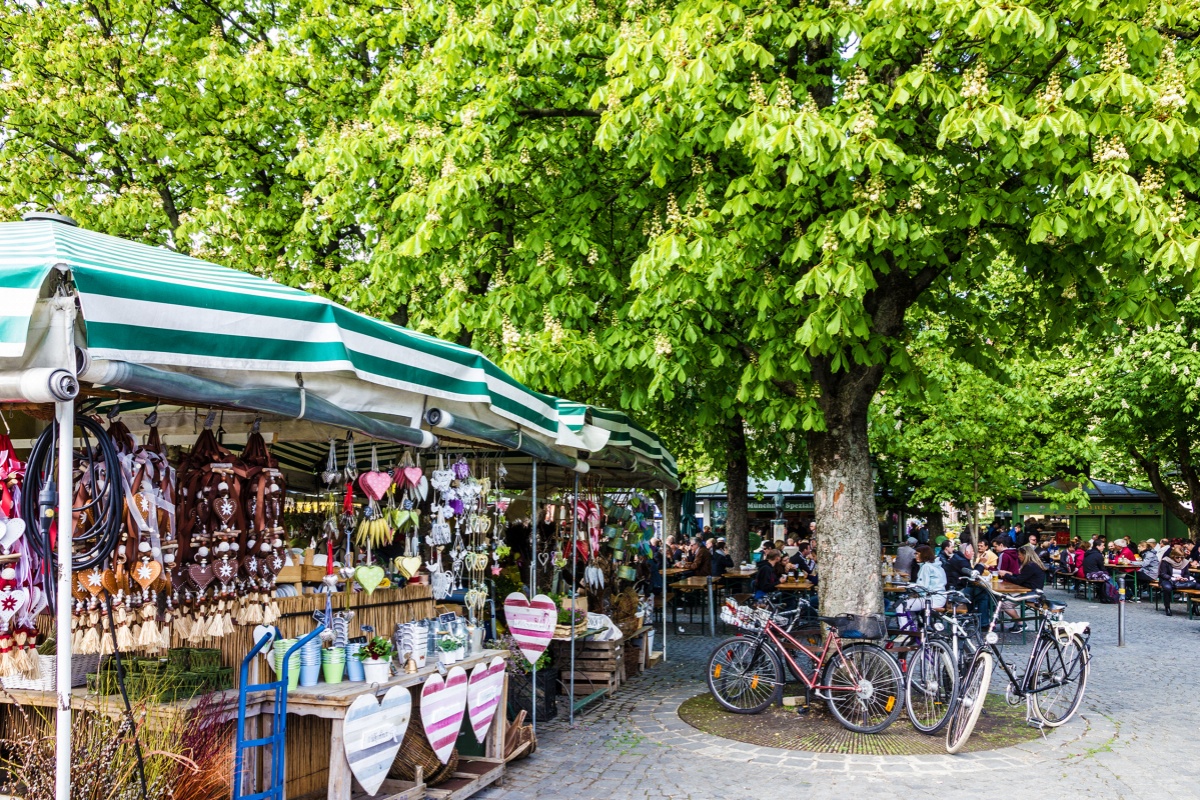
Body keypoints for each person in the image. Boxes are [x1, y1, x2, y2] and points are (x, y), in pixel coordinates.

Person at [997, 544, 1047, 632]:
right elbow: (1023, 577)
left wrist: (1006, 575)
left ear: (1025, 554)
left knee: (1004, 604)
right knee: (1005, 597)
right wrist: (1011, 574)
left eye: (1019, 554)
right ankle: (1018, 623)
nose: (1018, 556)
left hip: (1032, 594)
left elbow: (1018, 581)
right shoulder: (1033, 564)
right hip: (1033, 591)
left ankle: (1021, 623)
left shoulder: (1029, 566)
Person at [1158, 545, 1199, 616]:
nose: (1179, 559)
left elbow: (1186, 573)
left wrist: (1185, 578)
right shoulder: (1166, 561)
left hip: (1181, 581)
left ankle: (1195, 606)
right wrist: (1174, 578)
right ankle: (1167, 607)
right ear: (1173, 556)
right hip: (1168, 579)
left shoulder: (1185, 562)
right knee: (1167, 588)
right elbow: (1163, 574)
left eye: (1182, 557)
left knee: (1198, 586)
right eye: (1177, 557)